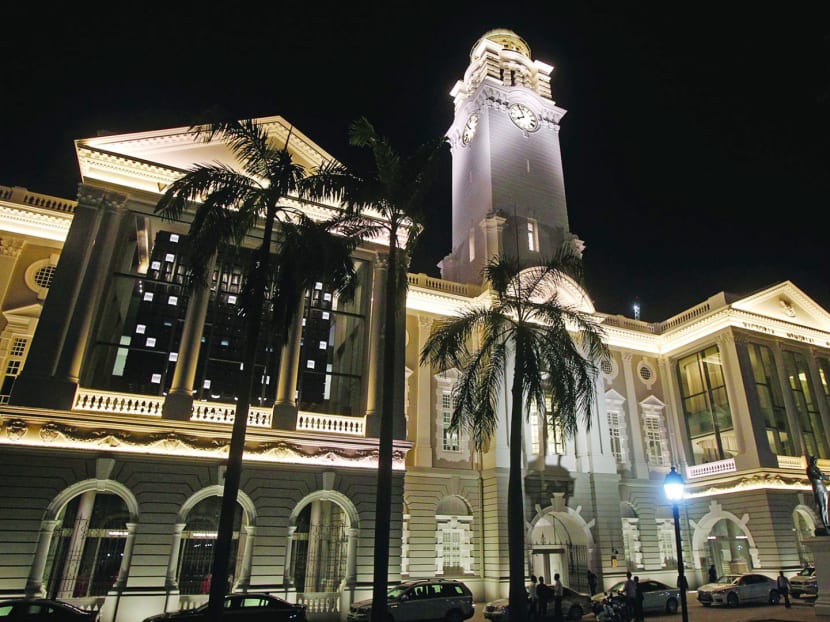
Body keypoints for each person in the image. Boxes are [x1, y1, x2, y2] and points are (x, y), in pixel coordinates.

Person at [807, 455, 830, 532]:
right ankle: (825, 525)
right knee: (822, 507)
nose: (815, 461)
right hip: (817, 488)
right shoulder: (810, 468)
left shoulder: (817, 468)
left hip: (823, 487)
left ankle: (827, 524)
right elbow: (819, 476)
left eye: (816, 460)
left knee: (825, 507)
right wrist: (824, 476)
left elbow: (823, 477)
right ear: (811, 461)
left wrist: (824, 476)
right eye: (814, 460)